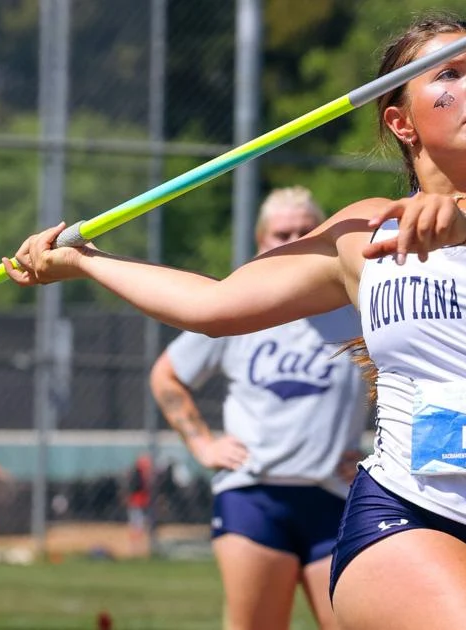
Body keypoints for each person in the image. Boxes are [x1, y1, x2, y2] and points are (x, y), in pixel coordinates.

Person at [5, 11, 466, 629]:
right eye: (449, 74)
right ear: (400, 121)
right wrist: (87, 262)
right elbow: (212, 306)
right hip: (407, 516)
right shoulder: (363, 232)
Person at [145, 186, 369, 630]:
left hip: (335, 498)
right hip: (253, 496)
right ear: (261, 241)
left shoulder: (355, 305)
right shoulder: (240, 308)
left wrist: (376, 456)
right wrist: (203, 444)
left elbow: (410, 377)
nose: (295, 241)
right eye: (282, 233)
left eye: (307, 231)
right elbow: (166, 376)